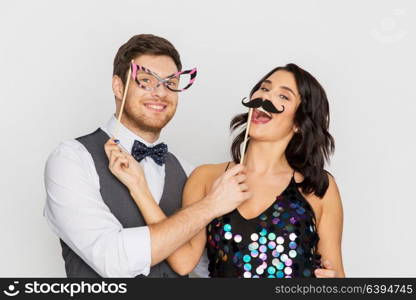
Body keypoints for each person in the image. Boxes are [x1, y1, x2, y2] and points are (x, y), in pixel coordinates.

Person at [106, 63, 345, 278]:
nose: (265, 97)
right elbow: (183, 262)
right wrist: (139, 187)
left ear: (298, 124)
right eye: (264, 88)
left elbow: (336, 276)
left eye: (283, 95)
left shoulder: (317, 186)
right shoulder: (207, 177)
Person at [43, 34, 251, 277]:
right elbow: (112, 259)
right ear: (118, 86)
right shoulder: (72, 159)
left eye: (170, 83)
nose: (160, 93)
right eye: (146, 80)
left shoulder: (189, 173)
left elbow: (209, 267)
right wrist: (211, 205)